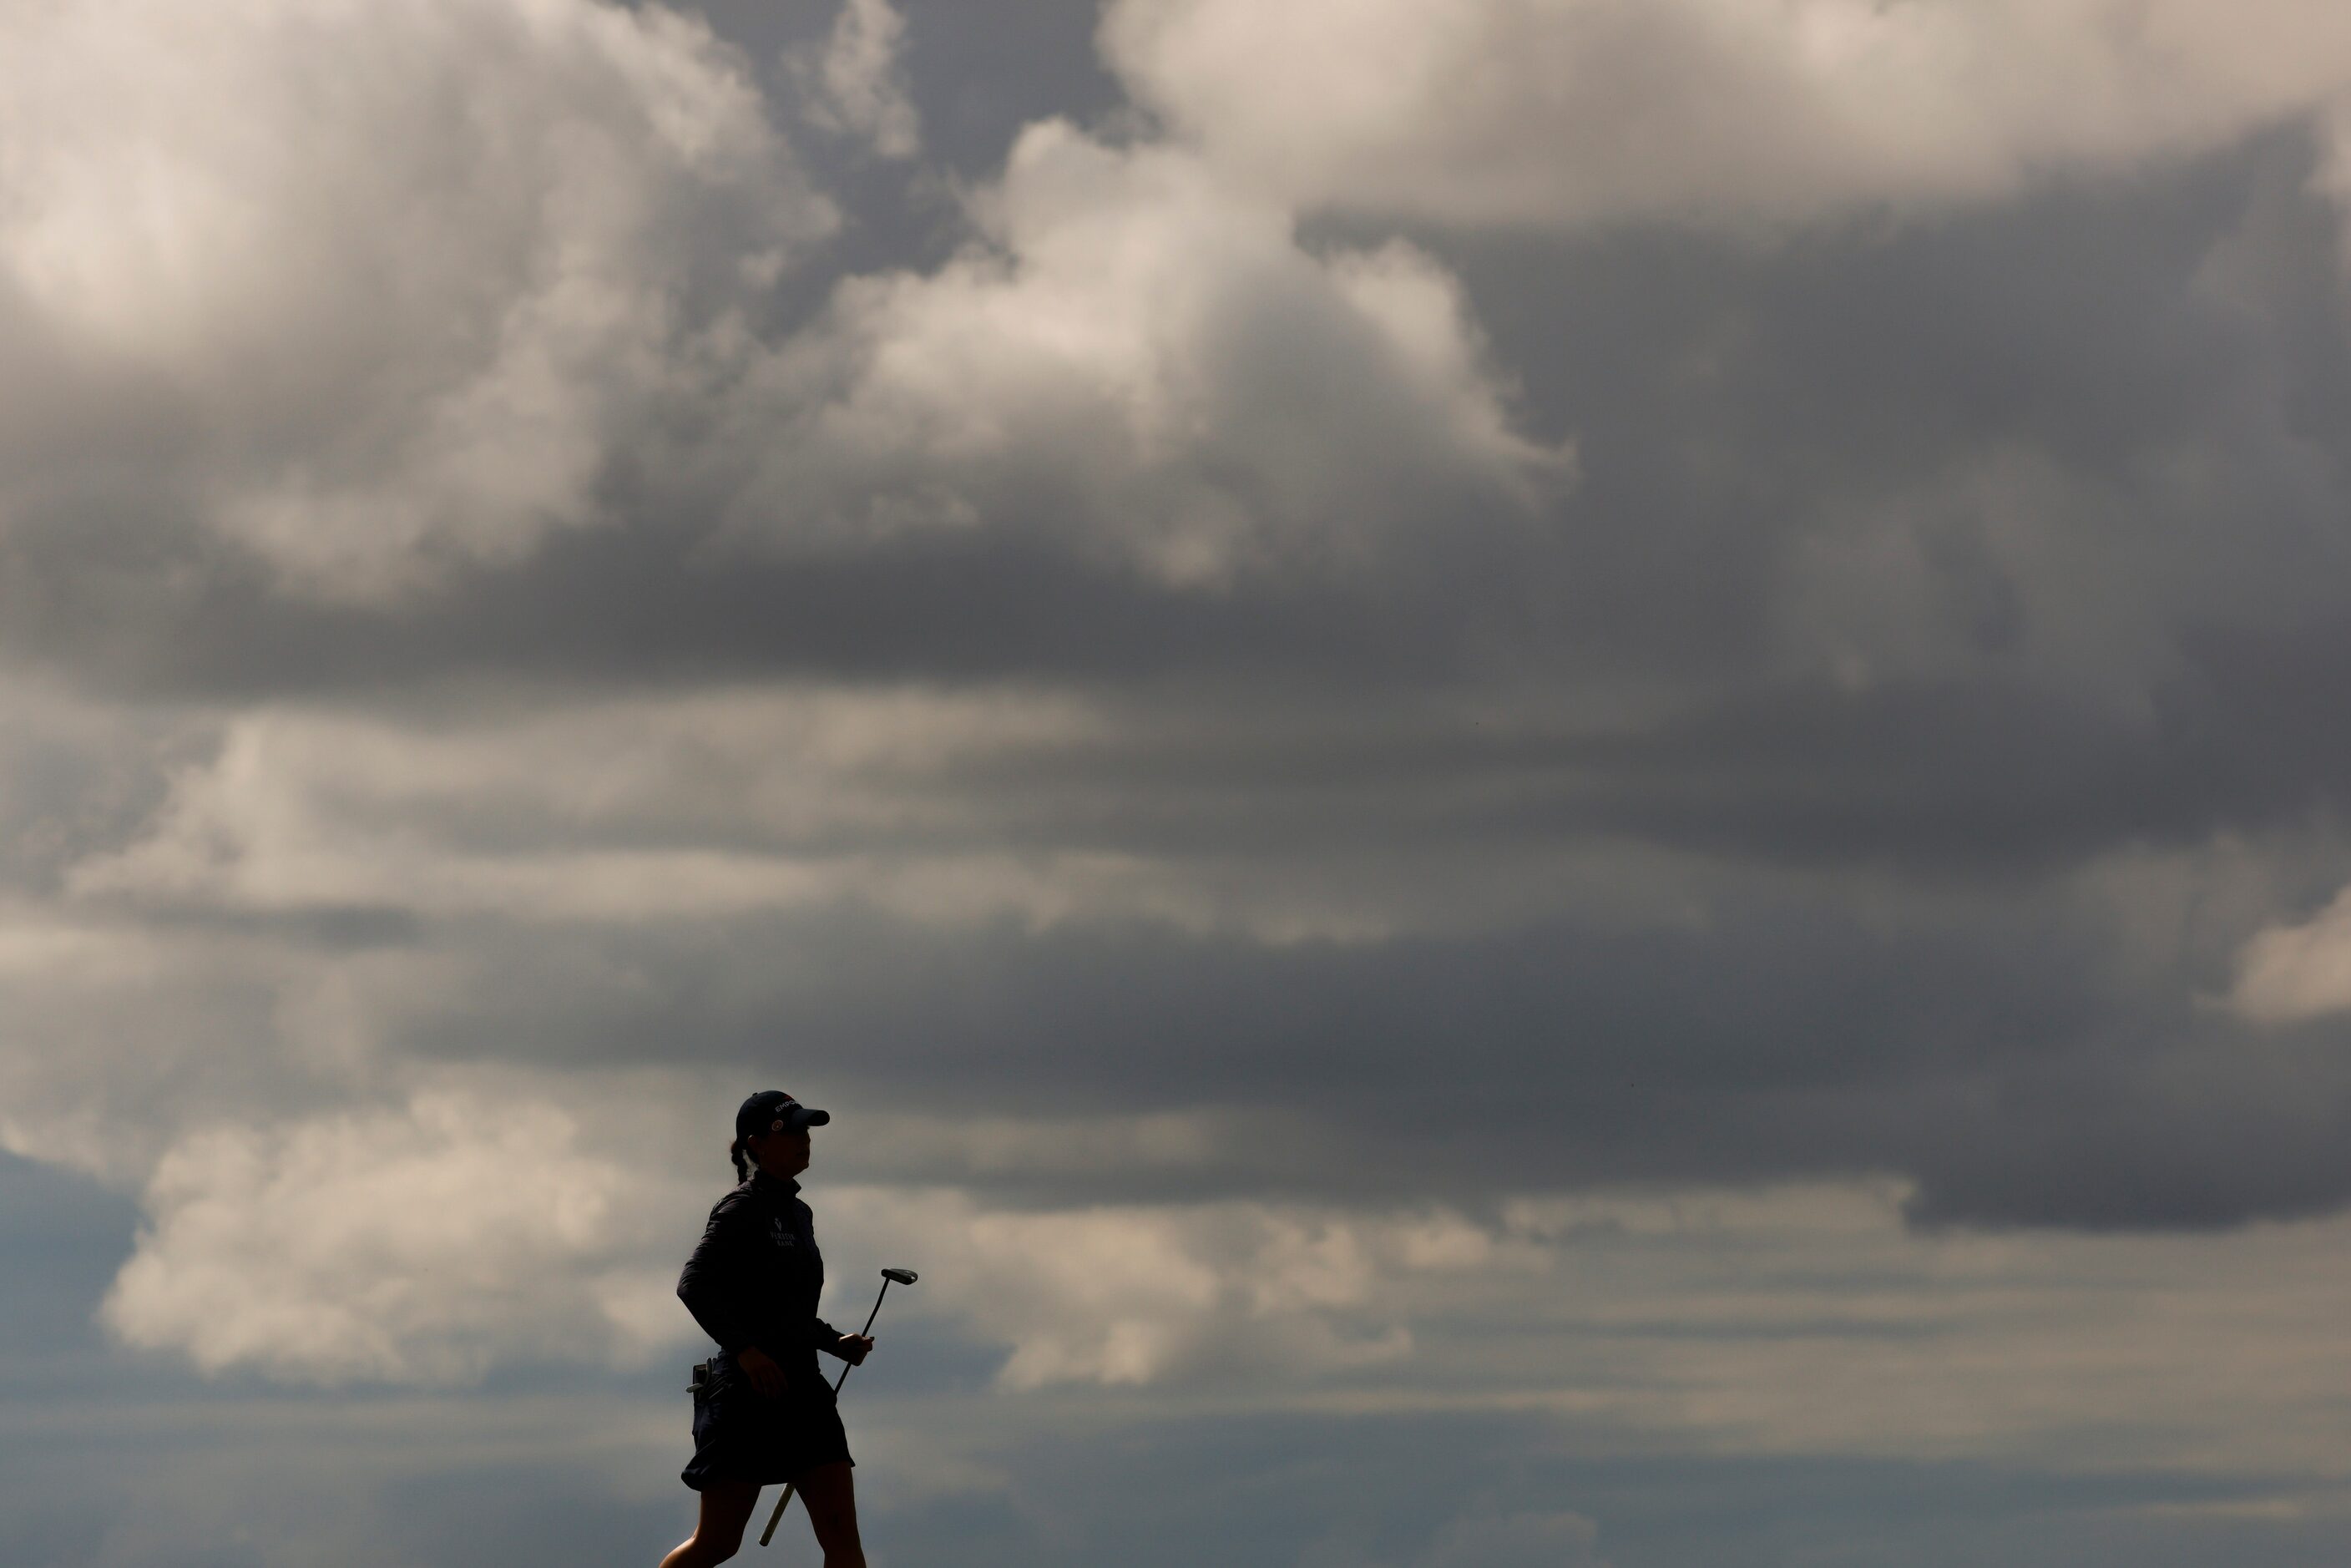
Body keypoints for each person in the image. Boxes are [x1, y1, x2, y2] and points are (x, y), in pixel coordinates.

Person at [659, 1090, 876, 1568]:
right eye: (791, 1131)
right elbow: (692, 1285)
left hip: (805, 1390)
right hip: (747, 1393)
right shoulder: (740, 1208)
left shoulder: (800, 1213)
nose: (804, 1140)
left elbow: (789, 1310)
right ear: (756, 1144)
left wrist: (833, 1341)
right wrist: (747, 1351)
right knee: (718, 1544)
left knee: (844, 1545)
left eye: (806, 1130)